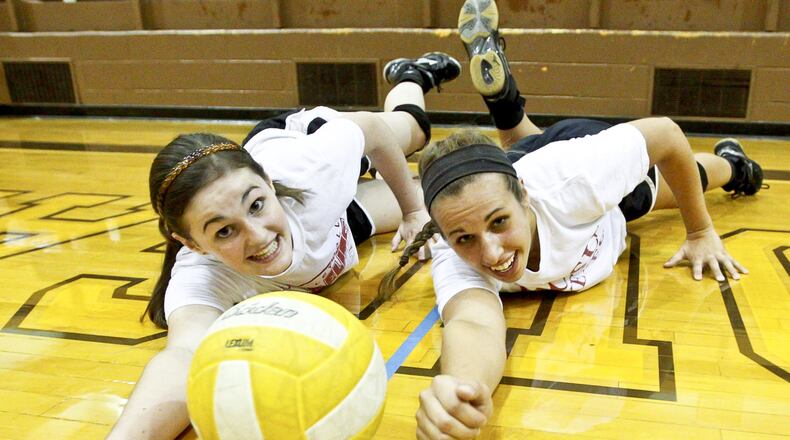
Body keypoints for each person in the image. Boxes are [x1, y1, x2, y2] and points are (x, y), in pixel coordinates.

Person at [379, 1, 767, 438]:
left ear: (522, 198)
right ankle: (506, 106)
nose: (490, 253)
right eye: (464, 238)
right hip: (516, 171)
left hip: (571, 159)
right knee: (520, 148)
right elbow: (473, 322)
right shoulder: (455, 251)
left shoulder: (581, 178)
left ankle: (737, 165)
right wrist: (461, 388)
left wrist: (701, 231)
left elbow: (666, 134)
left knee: (680, 182)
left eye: (499, 223)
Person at [106, 52, 461, 440]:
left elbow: (372, 130)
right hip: (331, 223)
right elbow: (183, 356)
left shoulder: (312, 168)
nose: (258, 237)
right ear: (192, 243)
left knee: (415, 132)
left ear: (270, 185)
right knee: (442, 197)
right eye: (223, 232)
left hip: (300, 146)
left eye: (256, 205)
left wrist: (412, 212)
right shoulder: (199, 275)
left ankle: (412, 74)